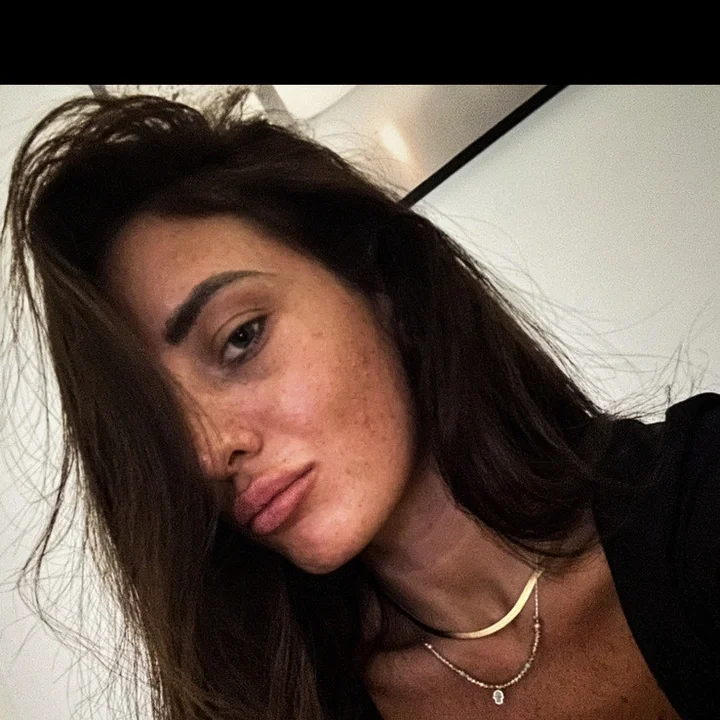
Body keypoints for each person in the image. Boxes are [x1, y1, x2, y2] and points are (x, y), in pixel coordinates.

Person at [1, 90, 717, 720]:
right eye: (158, 425)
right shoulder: (286, 700)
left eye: (241, 338)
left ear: (381, 283)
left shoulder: (697, 498)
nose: (207, 451)